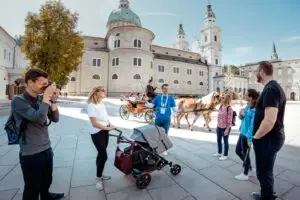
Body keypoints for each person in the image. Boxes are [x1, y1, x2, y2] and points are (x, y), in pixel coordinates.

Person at [11, 68, 64, 200]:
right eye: (42, 84)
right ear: (30, 82)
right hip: (31, 152)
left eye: (47, 84)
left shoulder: (41, 100)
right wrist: (46, 97)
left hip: (46, 147)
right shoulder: (18, 101)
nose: (45, 87)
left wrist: (53, 101)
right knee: (31, 188)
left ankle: (46, 196)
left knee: (46, 180)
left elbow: (55, 119)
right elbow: (39, 118)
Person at [251, 61, 286, 200]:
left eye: (256, 72)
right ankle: (268, 193)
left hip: (267, 139)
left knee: (263, 171)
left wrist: (256, 137)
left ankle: (267, 197)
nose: (256, 75)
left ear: (261, 72)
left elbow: (270, 120)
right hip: (272, 138)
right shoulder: (274, 88)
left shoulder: (270, 89)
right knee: (267, 170)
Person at [87, 86, 116, 191]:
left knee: (100, 154)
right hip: (96, 133)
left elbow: (105, 117)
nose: (104, 92)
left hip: (104, 131)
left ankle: (100, 173)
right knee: (104, 156)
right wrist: (107, 127)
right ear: (96, 92)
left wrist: (110, 124)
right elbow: (94, 124)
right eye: (102, 91)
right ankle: (98, 178)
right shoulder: (91, 106)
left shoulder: (101, 103)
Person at [234, 89, 259, 181]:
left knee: (245, 154)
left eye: (246, 95)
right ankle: (250, 168)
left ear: (251, 97)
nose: (244, 96)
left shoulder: (255, 110)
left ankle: (245, 173)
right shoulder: (248, 106)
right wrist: (241, 115)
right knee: (237, 151)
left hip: (247, 135)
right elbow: (243, 118)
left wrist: (249, 139)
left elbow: (252, 126)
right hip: (242, 132)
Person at [147, 84, 177, 155]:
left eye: (167, 89)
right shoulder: (158, 97)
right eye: (164, 88)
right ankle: (156, 147)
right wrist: (146, 103)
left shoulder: (171, 98)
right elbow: (151, 105)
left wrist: (179, 110)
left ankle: (164, 149)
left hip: (166, 120)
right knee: (157, 133)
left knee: (165, 134)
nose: (166, 90)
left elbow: (174, 108)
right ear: (162, 89)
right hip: (158, 119)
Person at [213, 92, 233, 161]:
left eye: (223, 97)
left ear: (227, 99)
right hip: (219, 126)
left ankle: (225, 155)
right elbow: (219, 116)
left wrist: (227, 129)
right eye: (221, 97)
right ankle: (219, 152)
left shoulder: (229, 108)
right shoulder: (221, 106)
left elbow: (230, 120)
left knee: (225, 141)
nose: (221, 98)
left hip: (225, 127)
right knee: (218, 140)